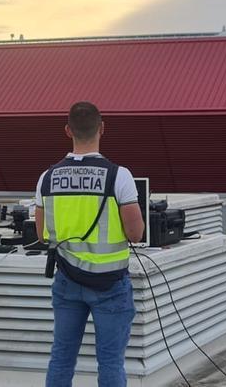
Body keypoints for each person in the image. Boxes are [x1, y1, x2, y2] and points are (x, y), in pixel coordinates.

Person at [36, 101, 145, 387]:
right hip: (110, 285)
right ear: (102, 128)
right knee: (110, 361)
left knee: (61, 357)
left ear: (67, 130)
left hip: (67, 281)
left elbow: (42, 234)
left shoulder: (47, 178)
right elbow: (136, 234)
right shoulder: (119, 176)